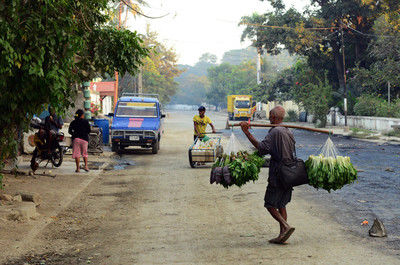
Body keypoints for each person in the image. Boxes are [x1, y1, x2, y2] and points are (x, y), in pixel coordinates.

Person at [240, 106, 296, 244]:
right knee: (282, 204)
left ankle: (286, 226)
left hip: (278, 173)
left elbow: (262, 149)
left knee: (270, 204)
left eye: (270, 116)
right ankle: (282, 235)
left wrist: (246, 133)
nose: (269, 119)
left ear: (275, 118)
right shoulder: (288, 130)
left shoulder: (275, 131)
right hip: (289, 172)